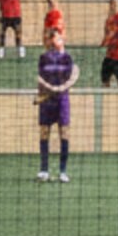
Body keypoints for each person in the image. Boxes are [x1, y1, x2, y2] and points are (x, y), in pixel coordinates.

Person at [34, 35, 77, 183]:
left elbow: (71, 79)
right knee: (44, 133)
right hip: (46, 100)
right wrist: (49, 89)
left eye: (58, 39)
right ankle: (44, 170)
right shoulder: (43, 57)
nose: (54, 42)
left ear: (63, 41)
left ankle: (63, 171)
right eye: (52, 39)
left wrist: (59, 89)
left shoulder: (67, 58)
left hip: (62, 101)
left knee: (64, 133)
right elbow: (39, 78)